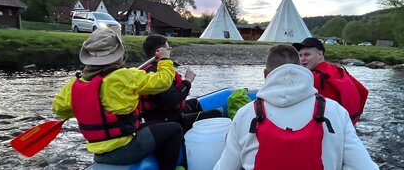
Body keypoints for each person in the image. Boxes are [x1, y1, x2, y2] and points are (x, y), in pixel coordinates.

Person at [213, 45, 378, 170]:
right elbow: (365, 167)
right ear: (301, 69)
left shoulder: (245, 114)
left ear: (265, 74)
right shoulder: (335, 111)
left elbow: (226, 167)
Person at [52, 28, 183, 170]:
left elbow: (59, 109)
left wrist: (85, 106)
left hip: (99, 153)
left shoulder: (75, 84)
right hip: (125, 149)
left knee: (155, 124)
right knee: (175, 129)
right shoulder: (123, 77)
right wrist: (164, 60)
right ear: (118, 55)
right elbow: (163, 82)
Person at [140, 34, 223, 132]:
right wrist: (188, 81)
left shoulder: (159, 69)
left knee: (195, 103)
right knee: (216, 113)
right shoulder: (155, 73)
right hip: (167, 121)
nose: (170, 52)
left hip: (170, 112)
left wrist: (183, 86)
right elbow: (172, 100)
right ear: (160, 51)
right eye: (168, 49)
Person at [293, 37, 369, 124]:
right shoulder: (339, 69)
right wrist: (355, 118)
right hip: (348, 123)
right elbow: (363, 91)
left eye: (307, 55)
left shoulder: (313, 77)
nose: (302, 59)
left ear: (320, 54)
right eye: (300, 55)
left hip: (329, 127)